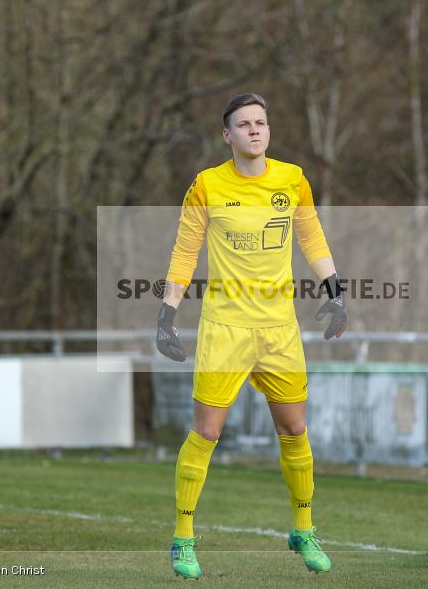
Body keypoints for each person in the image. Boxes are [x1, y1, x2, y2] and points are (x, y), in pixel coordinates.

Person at [156, 93, 347, 579]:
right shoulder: (207, 186)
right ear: (228, 136)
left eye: (261, 122)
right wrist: (167, 316)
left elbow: (312, 236)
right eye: (244, 124)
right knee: (207, 432)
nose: (255, 130)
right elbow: (184, 254)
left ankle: (304, 529)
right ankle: (183, 539)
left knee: (294, 429)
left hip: (279, 329)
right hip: (225, 329)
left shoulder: (292, 179)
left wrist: (334, 291)